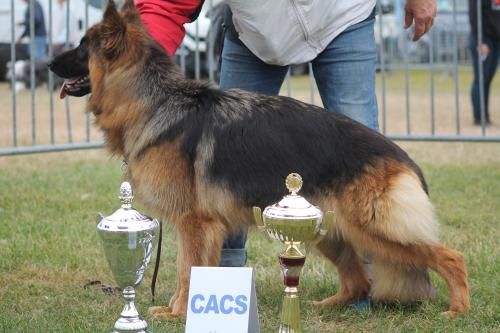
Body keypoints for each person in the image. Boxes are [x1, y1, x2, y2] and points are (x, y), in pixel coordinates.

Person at [135, 0, 436, 288]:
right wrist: (139, 62)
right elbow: (164, 4)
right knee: (224, 158)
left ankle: (373, 276)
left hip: (343, 17)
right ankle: (219, 284)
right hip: (256, 34)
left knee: (360, 152)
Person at [468, 0, 500, 126]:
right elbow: (474, 15)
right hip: (484, 40)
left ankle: (485, 115)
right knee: (481, 78)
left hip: (496, 40)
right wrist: (481, 40)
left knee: (487, 79)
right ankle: (478, 116)